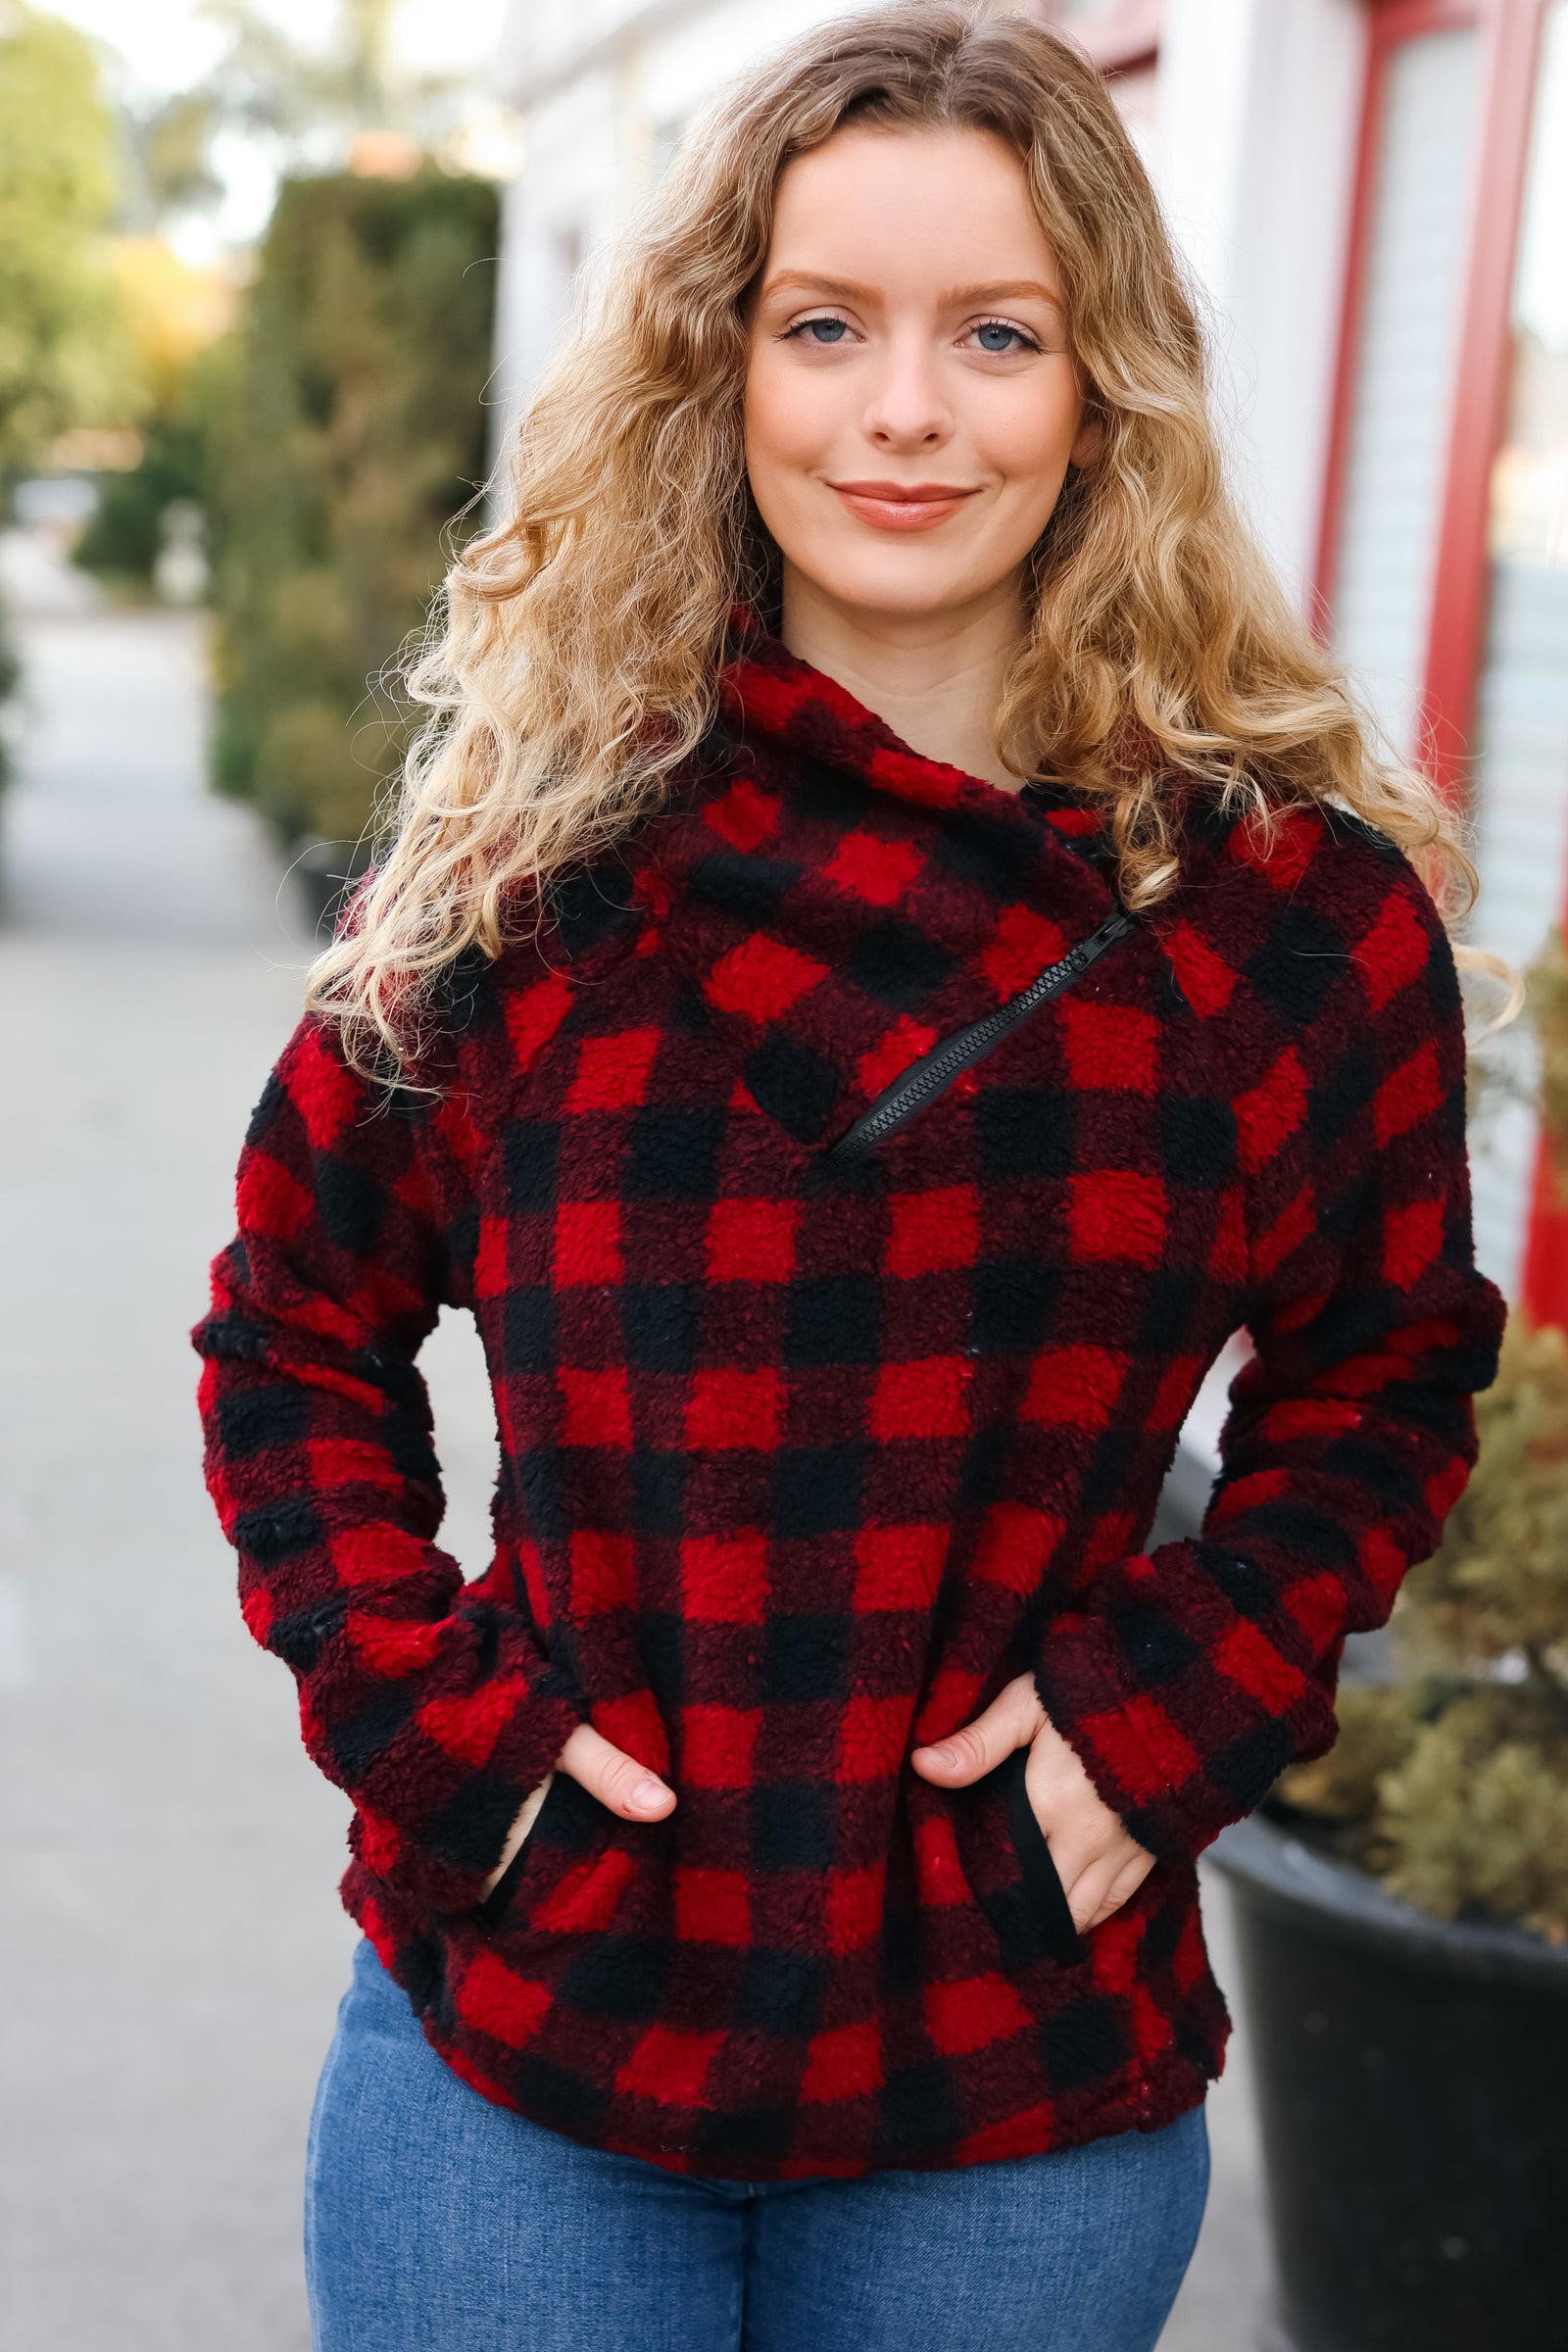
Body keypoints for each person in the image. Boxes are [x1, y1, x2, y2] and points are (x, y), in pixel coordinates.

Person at [192, 7, 1507, 2347]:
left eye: (993, 335)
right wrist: (436, 1733)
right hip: (531, 2045)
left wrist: (1162, 1715)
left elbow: (1384, 1380)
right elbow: (291, 1320)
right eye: (824, 328)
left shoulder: (1281, 928)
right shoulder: (536, 876)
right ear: (723, 370)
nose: (902, 412)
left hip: (1007, 2071)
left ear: (1099, 385)